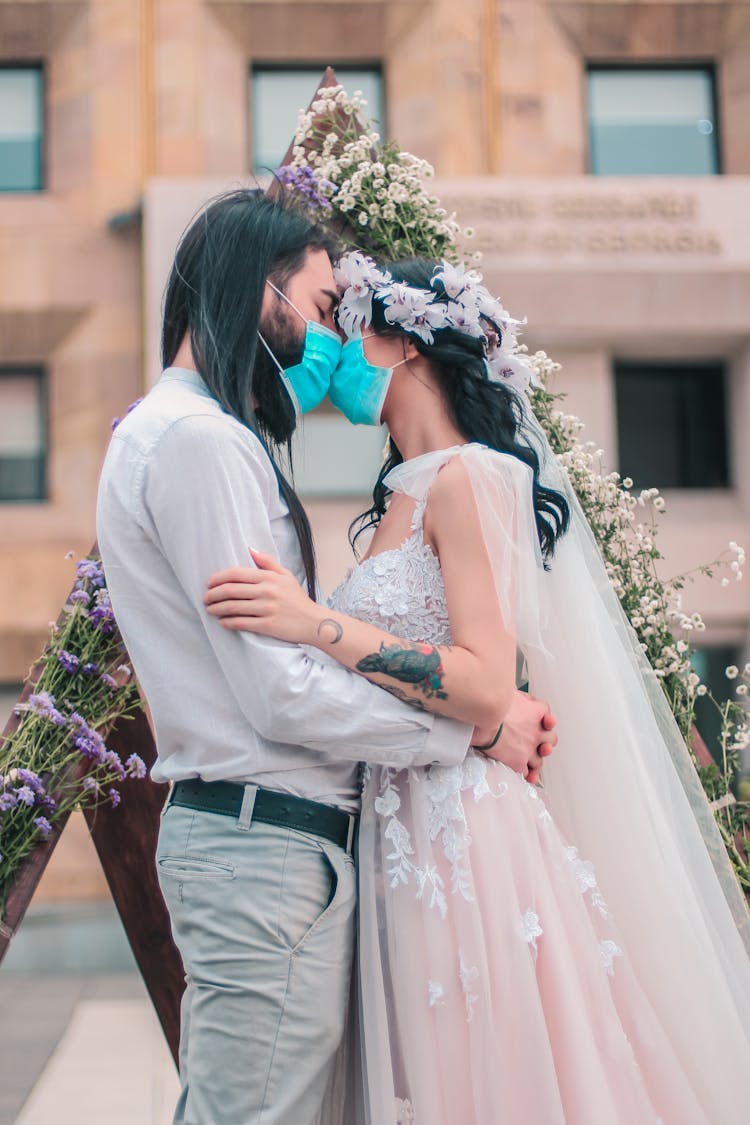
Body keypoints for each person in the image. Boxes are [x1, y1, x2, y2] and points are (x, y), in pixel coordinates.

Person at [205, 252, 750, 1123]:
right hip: (395, 822)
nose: (330, 349)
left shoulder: (472, 479)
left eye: (346, 329)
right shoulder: (398, 495)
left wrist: (313, 623)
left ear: (404, 346)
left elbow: (488, 684)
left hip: (462, 832)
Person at [95, 192, 556, 1125]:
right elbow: (277, 693)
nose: (318, 338)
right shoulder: (199, 441)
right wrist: (463, 730)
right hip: (261, 841)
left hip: (282, 841)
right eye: (311, 305)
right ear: (251, 289)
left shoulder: (200, 435)